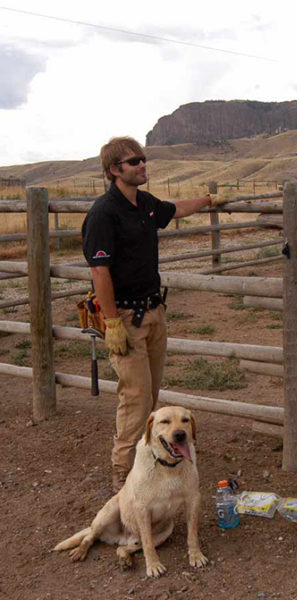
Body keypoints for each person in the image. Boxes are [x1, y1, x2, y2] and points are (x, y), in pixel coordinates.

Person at [82, 136, 227, 491]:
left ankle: (148, 463)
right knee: (136, 398)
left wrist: (207, 201)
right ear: (115, 170)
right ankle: (123, 476)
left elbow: (173, 209)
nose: (142, 165)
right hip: (126, 319)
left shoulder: (144, 203)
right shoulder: (103, 213)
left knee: (152, 394)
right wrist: (112, 321)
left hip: (153, 312)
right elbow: (99, 271)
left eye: (143, 159)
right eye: (134, 162)